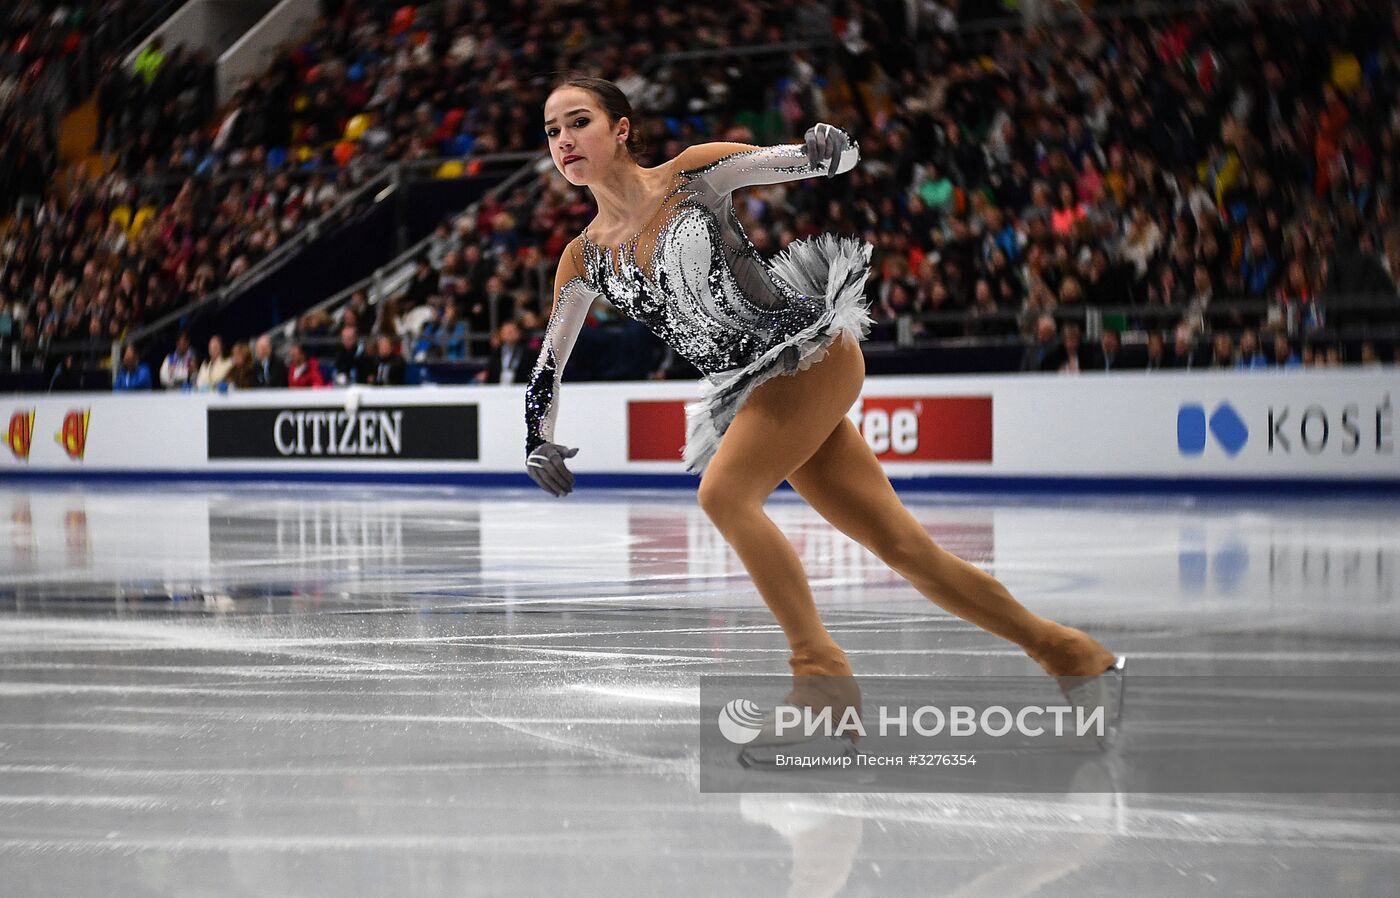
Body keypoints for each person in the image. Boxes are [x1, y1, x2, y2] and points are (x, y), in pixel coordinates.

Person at [524, 78, 1123, 738]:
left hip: (807, 354)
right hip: (752, 392)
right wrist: (538, 436)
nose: (565, 141)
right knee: (905, 548)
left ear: (622, 129)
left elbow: (808, 159)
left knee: (724, 494)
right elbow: (549, 364)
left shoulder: (692, 175)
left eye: (579, 122)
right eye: (553, 131)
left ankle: (821, 675)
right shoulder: (582, 259)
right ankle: (1070, 653)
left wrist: (829, 151)